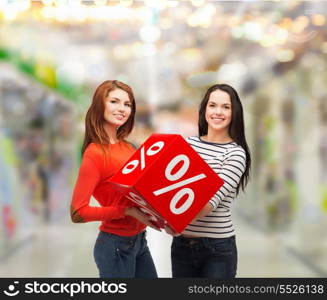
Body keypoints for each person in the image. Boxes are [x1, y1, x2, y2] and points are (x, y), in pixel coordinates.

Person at [70, 80, 159, 278]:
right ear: (100, 105)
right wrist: (126, 211)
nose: (122, 109)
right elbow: (77, 212)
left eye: (127, 104)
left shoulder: (129, 147)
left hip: (140, 241)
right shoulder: (95, 154)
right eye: (114, 102)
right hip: (115, 246)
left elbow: (138, 192)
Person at [168, 83, 251, 278]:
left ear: (234, 113)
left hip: (217, 249)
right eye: (212, 105)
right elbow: (170, 189)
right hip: (181, 247)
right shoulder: (188, 145)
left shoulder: (235, 153)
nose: (218, 112)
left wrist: (174, 219)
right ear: (204, 109)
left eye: (226, 107)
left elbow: (208, 203)